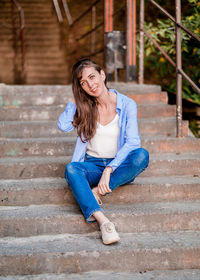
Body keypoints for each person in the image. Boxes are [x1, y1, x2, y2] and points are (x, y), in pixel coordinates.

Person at [57, 58, 149, 245]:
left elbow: (133, 142)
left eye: (92, 76)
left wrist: (110, 169)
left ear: (102, 74)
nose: (90, 84)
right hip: (92, 165)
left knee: (142, 155)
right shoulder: (85, 107)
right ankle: (103, 222)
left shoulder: (127, 104)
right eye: (83, 82)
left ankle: (97, 191)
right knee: (72, 169)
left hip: (118, 166)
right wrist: (75, 101)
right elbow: (63, 126)